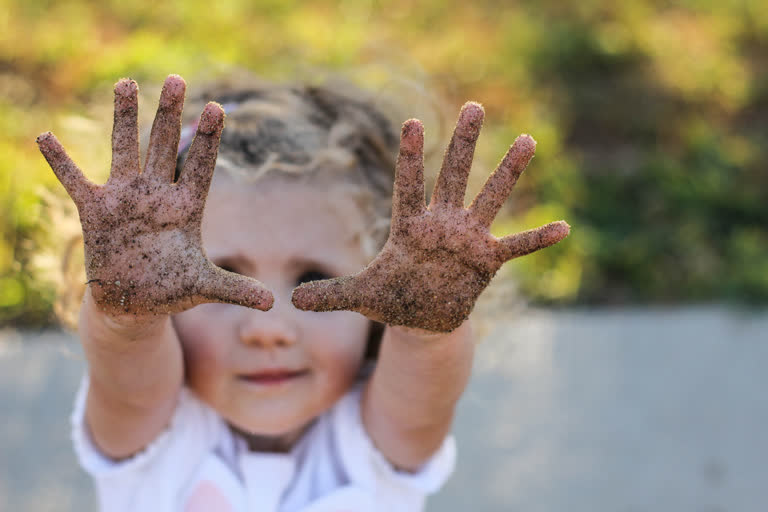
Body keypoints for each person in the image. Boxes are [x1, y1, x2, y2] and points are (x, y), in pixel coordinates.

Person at [36, 73, 570, 511]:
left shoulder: (374, 434)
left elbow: (424, 400)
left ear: (380, 303)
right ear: (164, 307)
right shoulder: (153, 428)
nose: (269, 328)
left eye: (313, 278)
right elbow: (128, 379)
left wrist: (425, 329)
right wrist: (125, 318)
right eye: (223, 282)